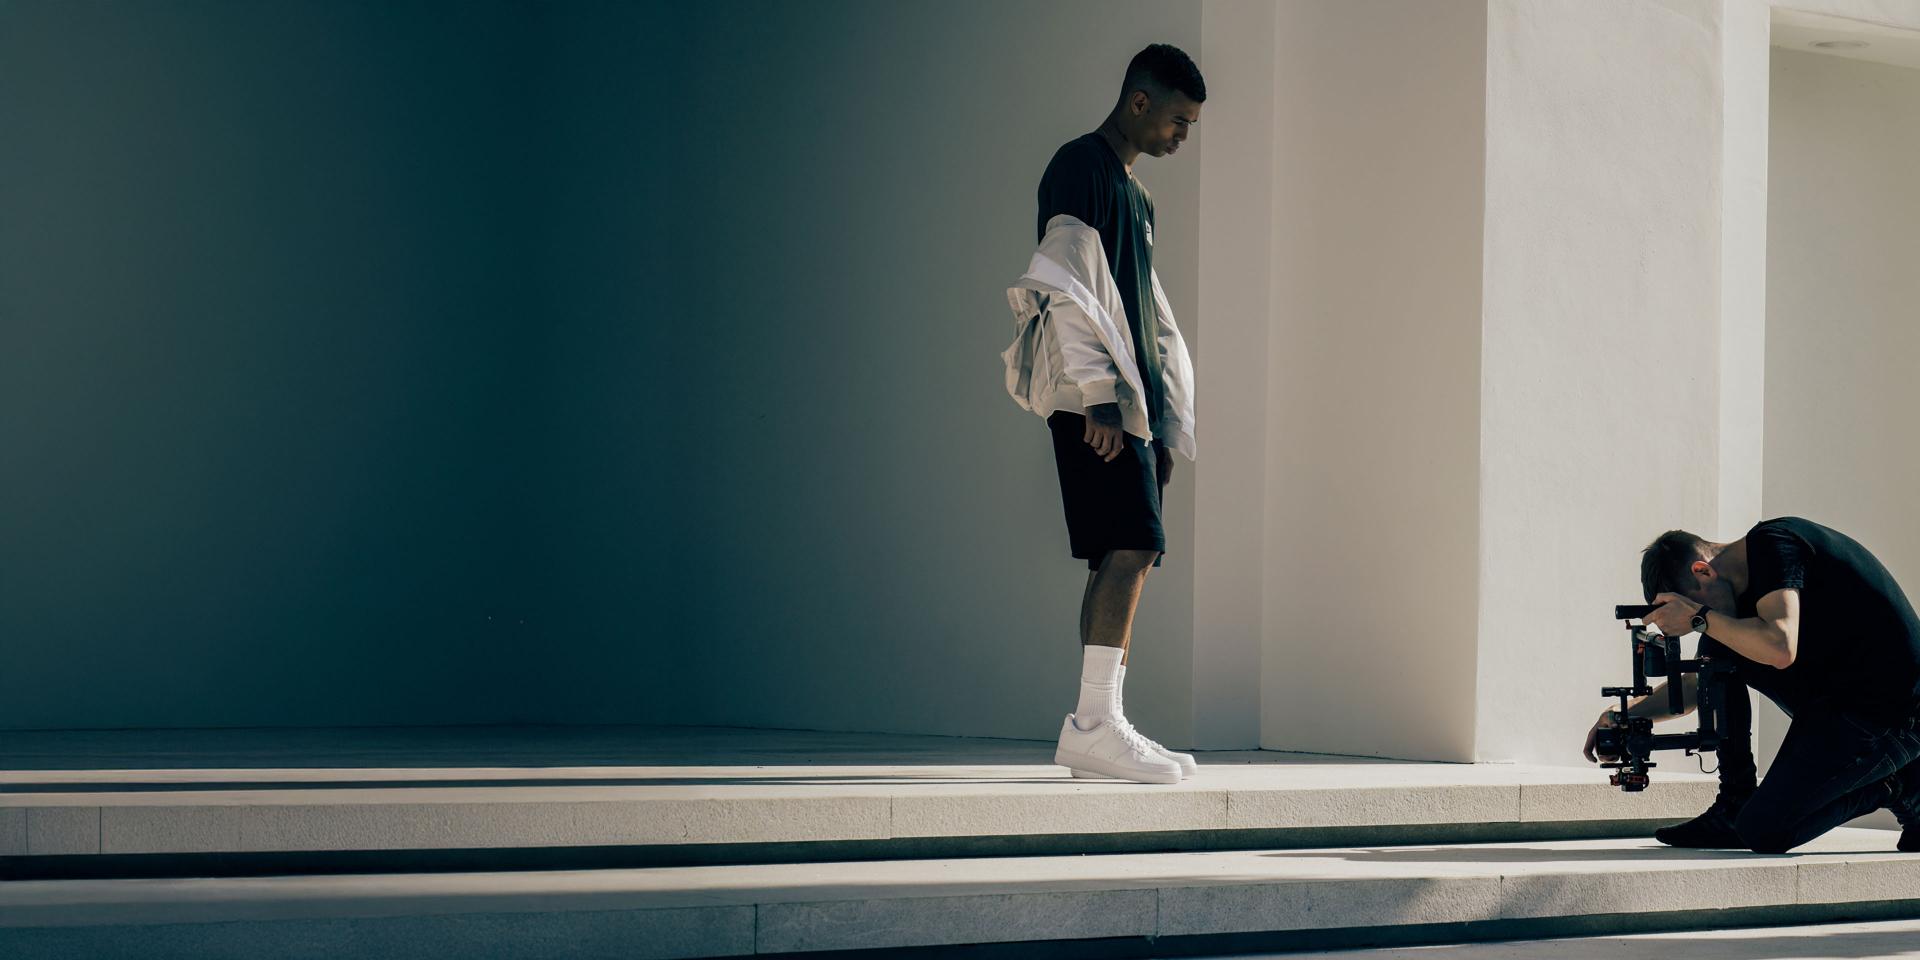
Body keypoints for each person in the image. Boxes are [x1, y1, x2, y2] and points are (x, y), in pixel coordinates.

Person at [1001, 44, 1202, 784]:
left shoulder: (1139, 197)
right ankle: (1094, 725)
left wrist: (1165, 419)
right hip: (1101, 407)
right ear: (1140, 102)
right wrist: (1098, 399)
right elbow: (1065, 282)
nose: (1183, 136)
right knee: (1131, 549)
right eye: (1178, 120)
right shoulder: (1080, 166)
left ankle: (1099, 724)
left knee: (1120, 552)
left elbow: (1144, 309)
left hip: (1130, 409)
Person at [1585, 517, 1920, 852]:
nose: (1700, 621)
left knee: (1764, 830)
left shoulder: (1774, 543)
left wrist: (1697, 617)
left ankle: (1898, 783)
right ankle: (1734, 802)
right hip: (1842, 709)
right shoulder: (1733, 607)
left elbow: (1780, 646)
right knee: (1718, 656)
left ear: (1703, 571)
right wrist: (1621, 715)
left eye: (1697, 607)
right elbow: (1697, 686)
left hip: (1898, 710)